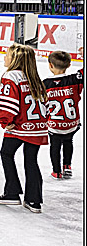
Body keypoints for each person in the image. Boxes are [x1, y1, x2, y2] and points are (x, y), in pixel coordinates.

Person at [0, 43, 50, 213]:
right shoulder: (35, 78)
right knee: (31, 159)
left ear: (15, 59)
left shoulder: (11, 76)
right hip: (37, 126)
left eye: (7, 55)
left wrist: (5, 121)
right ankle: (34, 201)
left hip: (19, 126)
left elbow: (9, 102)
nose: (5, 57)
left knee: (6, 153)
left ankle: (12, 193)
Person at [42, 50, 82, 180]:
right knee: (68, 141)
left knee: (55, 146)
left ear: (50, 65)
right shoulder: (74, 79)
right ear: (69, 65)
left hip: (54, 125)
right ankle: (67, 166)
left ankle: (56, 171)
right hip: (71, 124)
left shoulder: (45, 84)